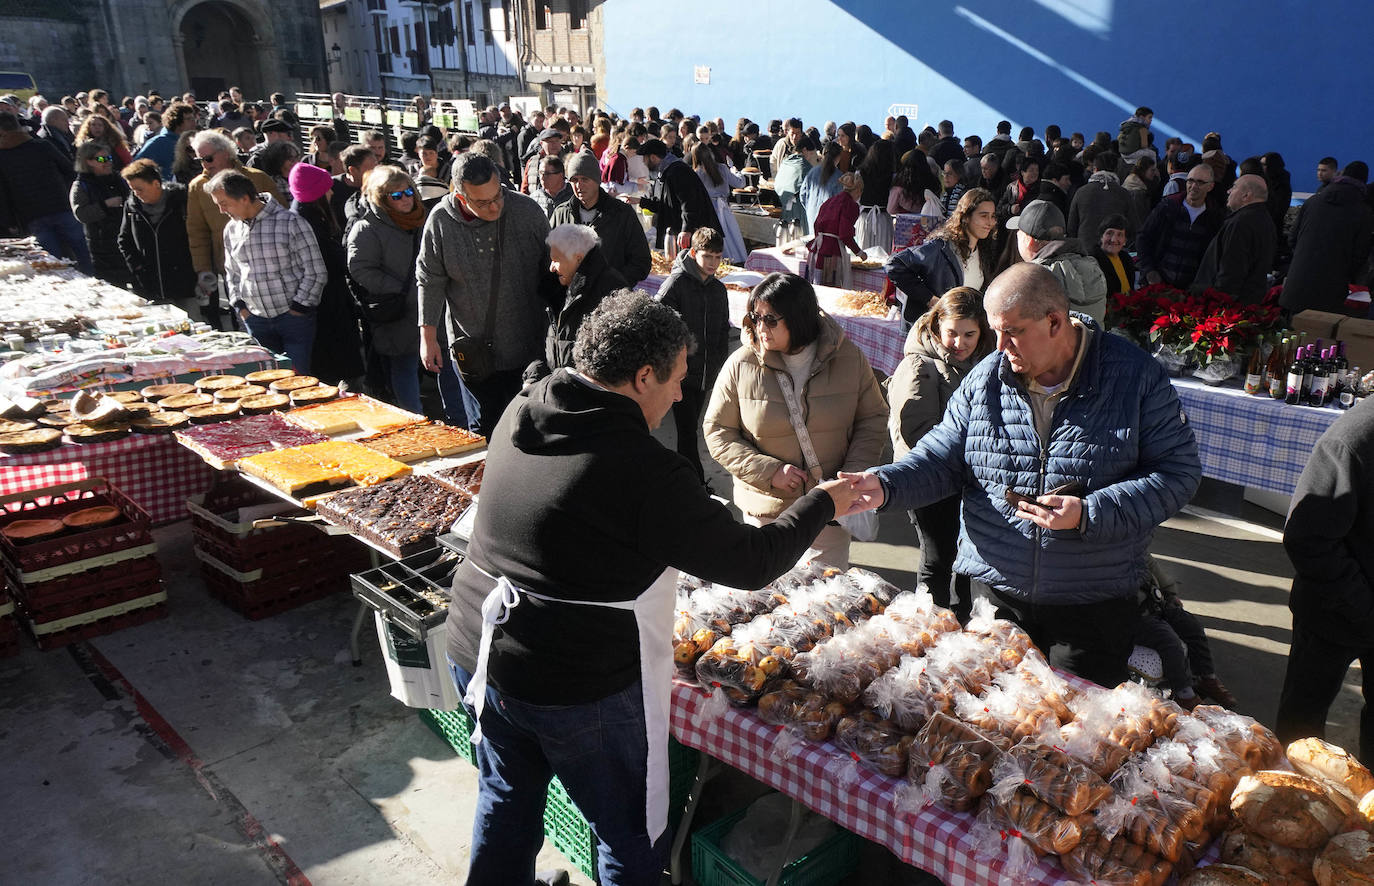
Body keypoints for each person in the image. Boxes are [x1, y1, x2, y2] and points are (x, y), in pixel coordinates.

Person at [445, 291, 857, 886]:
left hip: (480, 647)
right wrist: (825, 501)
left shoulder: (524, 407)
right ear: (643, 376)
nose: (681, 394)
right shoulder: (642, 468)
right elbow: (751, 559)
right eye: (678, 379)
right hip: (575, 683)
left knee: (508, 796)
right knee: (631, 833)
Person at [839, 262, 1202, 686]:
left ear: (1054, 321)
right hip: (995, 597)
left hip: (1091, 602)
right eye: (994, 332)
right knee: (990, 730)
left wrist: (1090, 512)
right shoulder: (986, 379)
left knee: (1075, 738)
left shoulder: (1134, 376)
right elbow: (942, 456)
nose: (1000, 346)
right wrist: (885, 484)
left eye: (1011, 332)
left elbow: (1178, 473)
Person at [704, 273, 887, 568]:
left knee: (829, 604)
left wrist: (851, 475)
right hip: (767, 515)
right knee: (765, 604)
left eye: (771, 319)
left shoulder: (849, 359)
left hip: (830, 512)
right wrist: (770, 471)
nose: (760, 328)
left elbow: (873, 418)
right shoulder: (740, 365)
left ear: (799, 317)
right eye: (755, 316)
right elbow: (717, 432)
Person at [418, 152, 554, 434]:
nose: (494, 207)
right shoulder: (441, 221)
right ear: (460, 196)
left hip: (529, 348)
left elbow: (553, 271)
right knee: (485, 429)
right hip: (475, 354)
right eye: (483, 202)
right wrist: (427, 338)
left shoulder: (527, 211)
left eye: (498, 196)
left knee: (528, 429)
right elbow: (430, 280)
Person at [1276, 396, 1374, 764]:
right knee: (1302, 724)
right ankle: (1289, 801)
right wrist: (1363, 607)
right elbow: (1307, 538)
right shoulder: (1354, 438)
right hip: (1333, 610)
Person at [886, 287, 993, 621]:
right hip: (928, 479)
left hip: (966, 480)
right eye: (951, 334)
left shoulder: (987, 361)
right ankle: (928, 624)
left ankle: (961, 621)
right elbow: (916, 432)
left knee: (967, 557)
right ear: (936, 329)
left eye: (969, 334)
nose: (959, 343)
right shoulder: (919, 366)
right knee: (938, 556)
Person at [210, 169, 325, 372]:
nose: (221, 210)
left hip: (292, 319)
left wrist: (298, 308)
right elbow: (232, 272)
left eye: (224, 204)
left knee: (297, 380)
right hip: (256, 319)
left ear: (245, 198)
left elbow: (315, 271)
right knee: (267, 383)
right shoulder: (231, 229)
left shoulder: (290, 222)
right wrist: (241, 307)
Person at [346, 167, 427, 413]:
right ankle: (415, 421)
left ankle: (458, 422)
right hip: (399, 312)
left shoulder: (424, 218)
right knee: (404, 369)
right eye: (396, 195)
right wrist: (401, 290)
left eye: (408, 192)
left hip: (431, 307)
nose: (405, 199)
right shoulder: (367, 228)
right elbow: (359, 268)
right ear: (382, 198)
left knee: (444, 370)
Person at [657, 227, 731, 485]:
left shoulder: (719, 290)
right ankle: (694, 484)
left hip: (705, 374)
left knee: (692, 430)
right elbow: (658, 321)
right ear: (693, 253)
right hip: (681, 375)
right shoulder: (676, 284)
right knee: (687, 432)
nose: (713, 263)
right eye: (707, 256)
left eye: (717, 257)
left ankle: (684, 483)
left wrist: (719, 364)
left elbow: (723, 329)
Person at [186, 131, 282, 329]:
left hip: (272, 265)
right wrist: (203, 269)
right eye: (200, 159)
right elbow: (197, 231)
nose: (205, 164)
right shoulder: (198, 187)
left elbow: (282, 216)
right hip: (231, 267)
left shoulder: (257, 178)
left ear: (226, 153)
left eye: (209, 158)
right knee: (242, 321)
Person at [287, 161, 364, 387]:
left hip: (328, 303)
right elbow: (330, 263)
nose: (331, 191)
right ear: (316, 194)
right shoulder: (309, 224)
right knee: (339, 369)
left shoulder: (308, 216)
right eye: (326, 188)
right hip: (327, 305)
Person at [523, 222, 628, 385]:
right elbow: (542, 342)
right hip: (557, 390)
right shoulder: (554, 289)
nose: (551, 268)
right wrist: (534, 376)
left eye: (556, 260)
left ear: (578, 258)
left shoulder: (611, 290)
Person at [1137, 557, 1237, 711]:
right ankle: (1185, 695)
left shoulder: (1131, 539)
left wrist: (1169, 591)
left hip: (1150, 601)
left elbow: (1150, 563)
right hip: (1125, 610)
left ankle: (1206, 677)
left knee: (1191, 625)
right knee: (1169, 641)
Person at [886, 187, 997, 320]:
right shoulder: (941, 248)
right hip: (936, 329)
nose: (990, 222)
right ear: (966, 217)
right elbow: (894, 265)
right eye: (984, 216)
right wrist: (930, 300)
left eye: (992, 216)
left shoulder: (985, 250)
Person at [0, 111, 91, 271]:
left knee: (51, 263)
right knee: (83, 253)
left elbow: (3, 194)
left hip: (32, 214)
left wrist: (9, 221)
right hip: (61, 206)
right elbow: (70, 170)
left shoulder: (3, 156)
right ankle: (93, 282)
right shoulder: (41, 145)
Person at [1281, 162, 1374, 315]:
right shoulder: (1363, 212)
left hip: (1297, 283)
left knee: (1291, 332)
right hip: (1331, 290)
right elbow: (1360, 255)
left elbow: (1292, 237)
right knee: (1319, 335)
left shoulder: (1313, 201)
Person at [550, 152, 653, 284]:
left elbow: (641, 262)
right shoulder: (561, 214)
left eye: (585, 179)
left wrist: (614, 284)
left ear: (597, 180)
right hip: (571, 299)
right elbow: (549, 257)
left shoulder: (622, 213)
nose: (579, 185)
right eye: (574, 180)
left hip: (610, 300)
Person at [1008, 200, 1109, 324]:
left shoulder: (1030, 279)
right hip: (1091, 342)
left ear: (1029, 241)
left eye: (1019, 234)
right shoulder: (1092, 266)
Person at [117, 158, 195, 307]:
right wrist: (137, 267)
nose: (136, 193)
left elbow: (198, 237)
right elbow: (124, 240)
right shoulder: (132, 207)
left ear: (156, 184)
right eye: (132, 189)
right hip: (149, 284)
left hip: (184, 283)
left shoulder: (181, 201)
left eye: (139, 189)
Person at [1191, 174, 1276, 304]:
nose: (1228, 191)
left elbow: (1231, 269)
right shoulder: (1265, 219)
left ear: (1246, 196)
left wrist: (1217, 302)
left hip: (1228, 306)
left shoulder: (1241, 223)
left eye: (1234, 187)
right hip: (1250, 301)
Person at [1135, 164, 1222, 290]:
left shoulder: (1214, 216)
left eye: (1200, 182)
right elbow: (1143, 237)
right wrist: (1149, 270)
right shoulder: (1168, 206)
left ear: (1210, 186)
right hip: (1157, 284)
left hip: (1191, 290)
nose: (1193, 186)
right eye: (1190, 181)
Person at [69, 141, 132, 286]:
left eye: (109, 158)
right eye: (101, 159)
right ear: (88, 162)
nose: (107, 162)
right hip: (103, 247)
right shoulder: (81, 185)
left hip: (126, 239)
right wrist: (105, 205)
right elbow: (81, 214)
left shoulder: (118, 179)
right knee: (115, 286)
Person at [637, 138, 719, 250]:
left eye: (645, 159)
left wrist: (687, 229)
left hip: (691, 233)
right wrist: (640, 201)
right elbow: (665, 205)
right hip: (679, 231)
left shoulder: (677, 170)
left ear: (652, 157)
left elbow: (690, 202)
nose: (643, 163)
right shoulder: (665, 172)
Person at [686, 142, 746, 262]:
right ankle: (736, 259)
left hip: (708, 211)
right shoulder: (722, 168)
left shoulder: (694, 173)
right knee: (731, 236)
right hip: (724, 209)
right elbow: (740, 183)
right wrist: (735, 171)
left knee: (713, 239)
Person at [806, 172, 866, 287]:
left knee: (816, 287)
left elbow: (816, 224)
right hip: (831, 253)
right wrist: (859, 252)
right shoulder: (851, 205)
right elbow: (845, 234)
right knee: (831, 288)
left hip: (818, 249)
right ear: (858, 190)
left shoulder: (830, 201)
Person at [1067, 153, 1137, 245]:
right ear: (1116, 170)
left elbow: (1071, 227)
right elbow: (1133, 226)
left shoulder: (1081, 192)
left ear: (1095, 169)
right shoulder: (1123, 193)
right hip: (1113, 249)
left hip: (1085, 249)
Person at [774, 135, 817, 239]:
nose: (812, 157)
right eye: (812, 153)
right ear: (805, 150)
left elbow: (777, 184)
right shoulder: (805, 167)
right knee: (800, 241)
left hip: (785, 207)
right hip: (799, 210)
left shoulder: (785, 162)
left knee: (785, 239)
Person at [800, 141, 845, 236]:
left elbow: (802, 195)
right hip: (830, 222)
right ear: (838, 157)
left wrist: (810, 208)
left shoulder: (812, 172)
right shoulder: (840, 177)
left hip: (812, 215)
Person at [331, 144, 376, 232]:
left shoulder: (378, 187)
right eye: (370, 170)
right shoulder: (331, 188)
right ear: (352, 170)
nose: (375, 172)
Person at [1090, 214, 1137, 298]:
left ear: (1125, 241)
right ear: (1101, 236)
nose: (1114, 239)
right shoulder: (1092, 260)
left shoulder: (1126, 259)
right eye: (1109, 233)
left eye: (1120, 235)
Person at [997, 155, 1041, 223]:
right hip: (1012, 225)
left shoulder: (1041, 188)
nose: (1035, 173)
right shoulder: (1011, 187)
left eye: (1037, 170)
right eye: (1031, 170)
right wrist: (1010, 209)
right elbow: (999, 208)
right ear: (1022, 172)